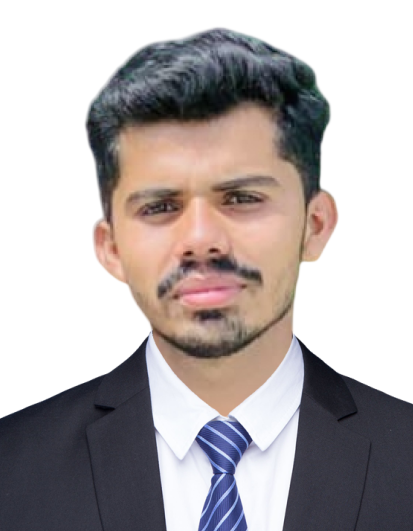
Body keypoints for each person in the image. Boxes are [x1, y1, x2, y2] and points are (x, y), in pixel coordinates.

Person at [1, 27, 412, 531]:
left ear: (315, 225)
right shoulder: (12, 468)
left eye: (242, 198)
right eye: (160, 206)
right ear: (112, 249)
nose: (200, 240)